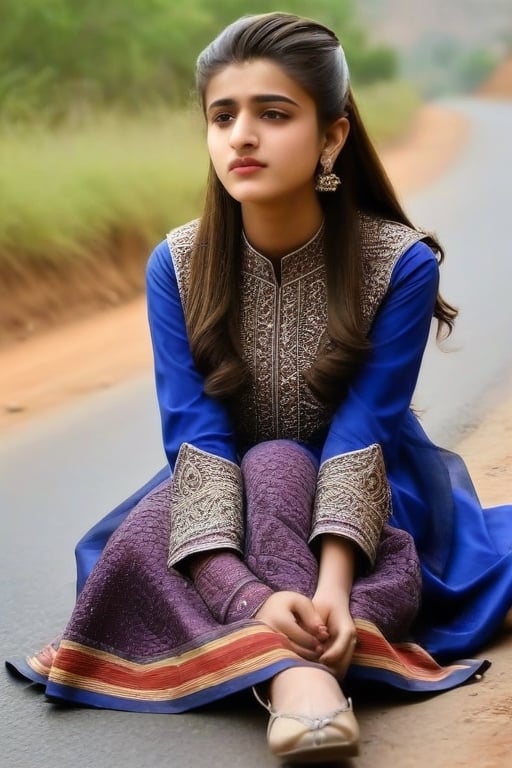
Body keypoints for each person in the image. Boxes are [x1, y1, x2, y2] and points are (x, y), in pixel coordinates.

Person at [7, 11, 512, 764]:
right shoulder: (175, 265)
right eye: (223, 115)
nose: (242, 135)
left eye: (273, 114)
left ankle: (298, 667)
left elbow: (362, 428)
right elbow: (195, 434)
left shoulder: (399, 264)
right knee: (149, 537)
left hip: (370, 492)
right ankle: (298, 674)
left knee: (280, 466)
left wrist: (336, 584)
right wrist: (241, 589)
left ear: (333, 136)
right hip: (222, 493)